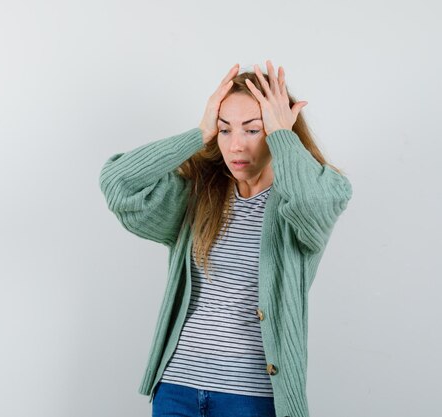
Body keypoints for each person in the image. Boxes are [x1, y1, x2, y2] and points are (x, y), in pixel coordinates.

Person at [99, 60, 353, 417]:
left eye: (253, 130)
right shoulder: (197, 196)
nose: (236, 146)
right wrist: (199, 132)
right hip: (177, 389)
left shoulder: (306, 199)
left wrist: (282, 135)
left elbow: (314, 204)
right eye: (225, 130)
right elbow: (118, 185)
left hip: (251, 398)